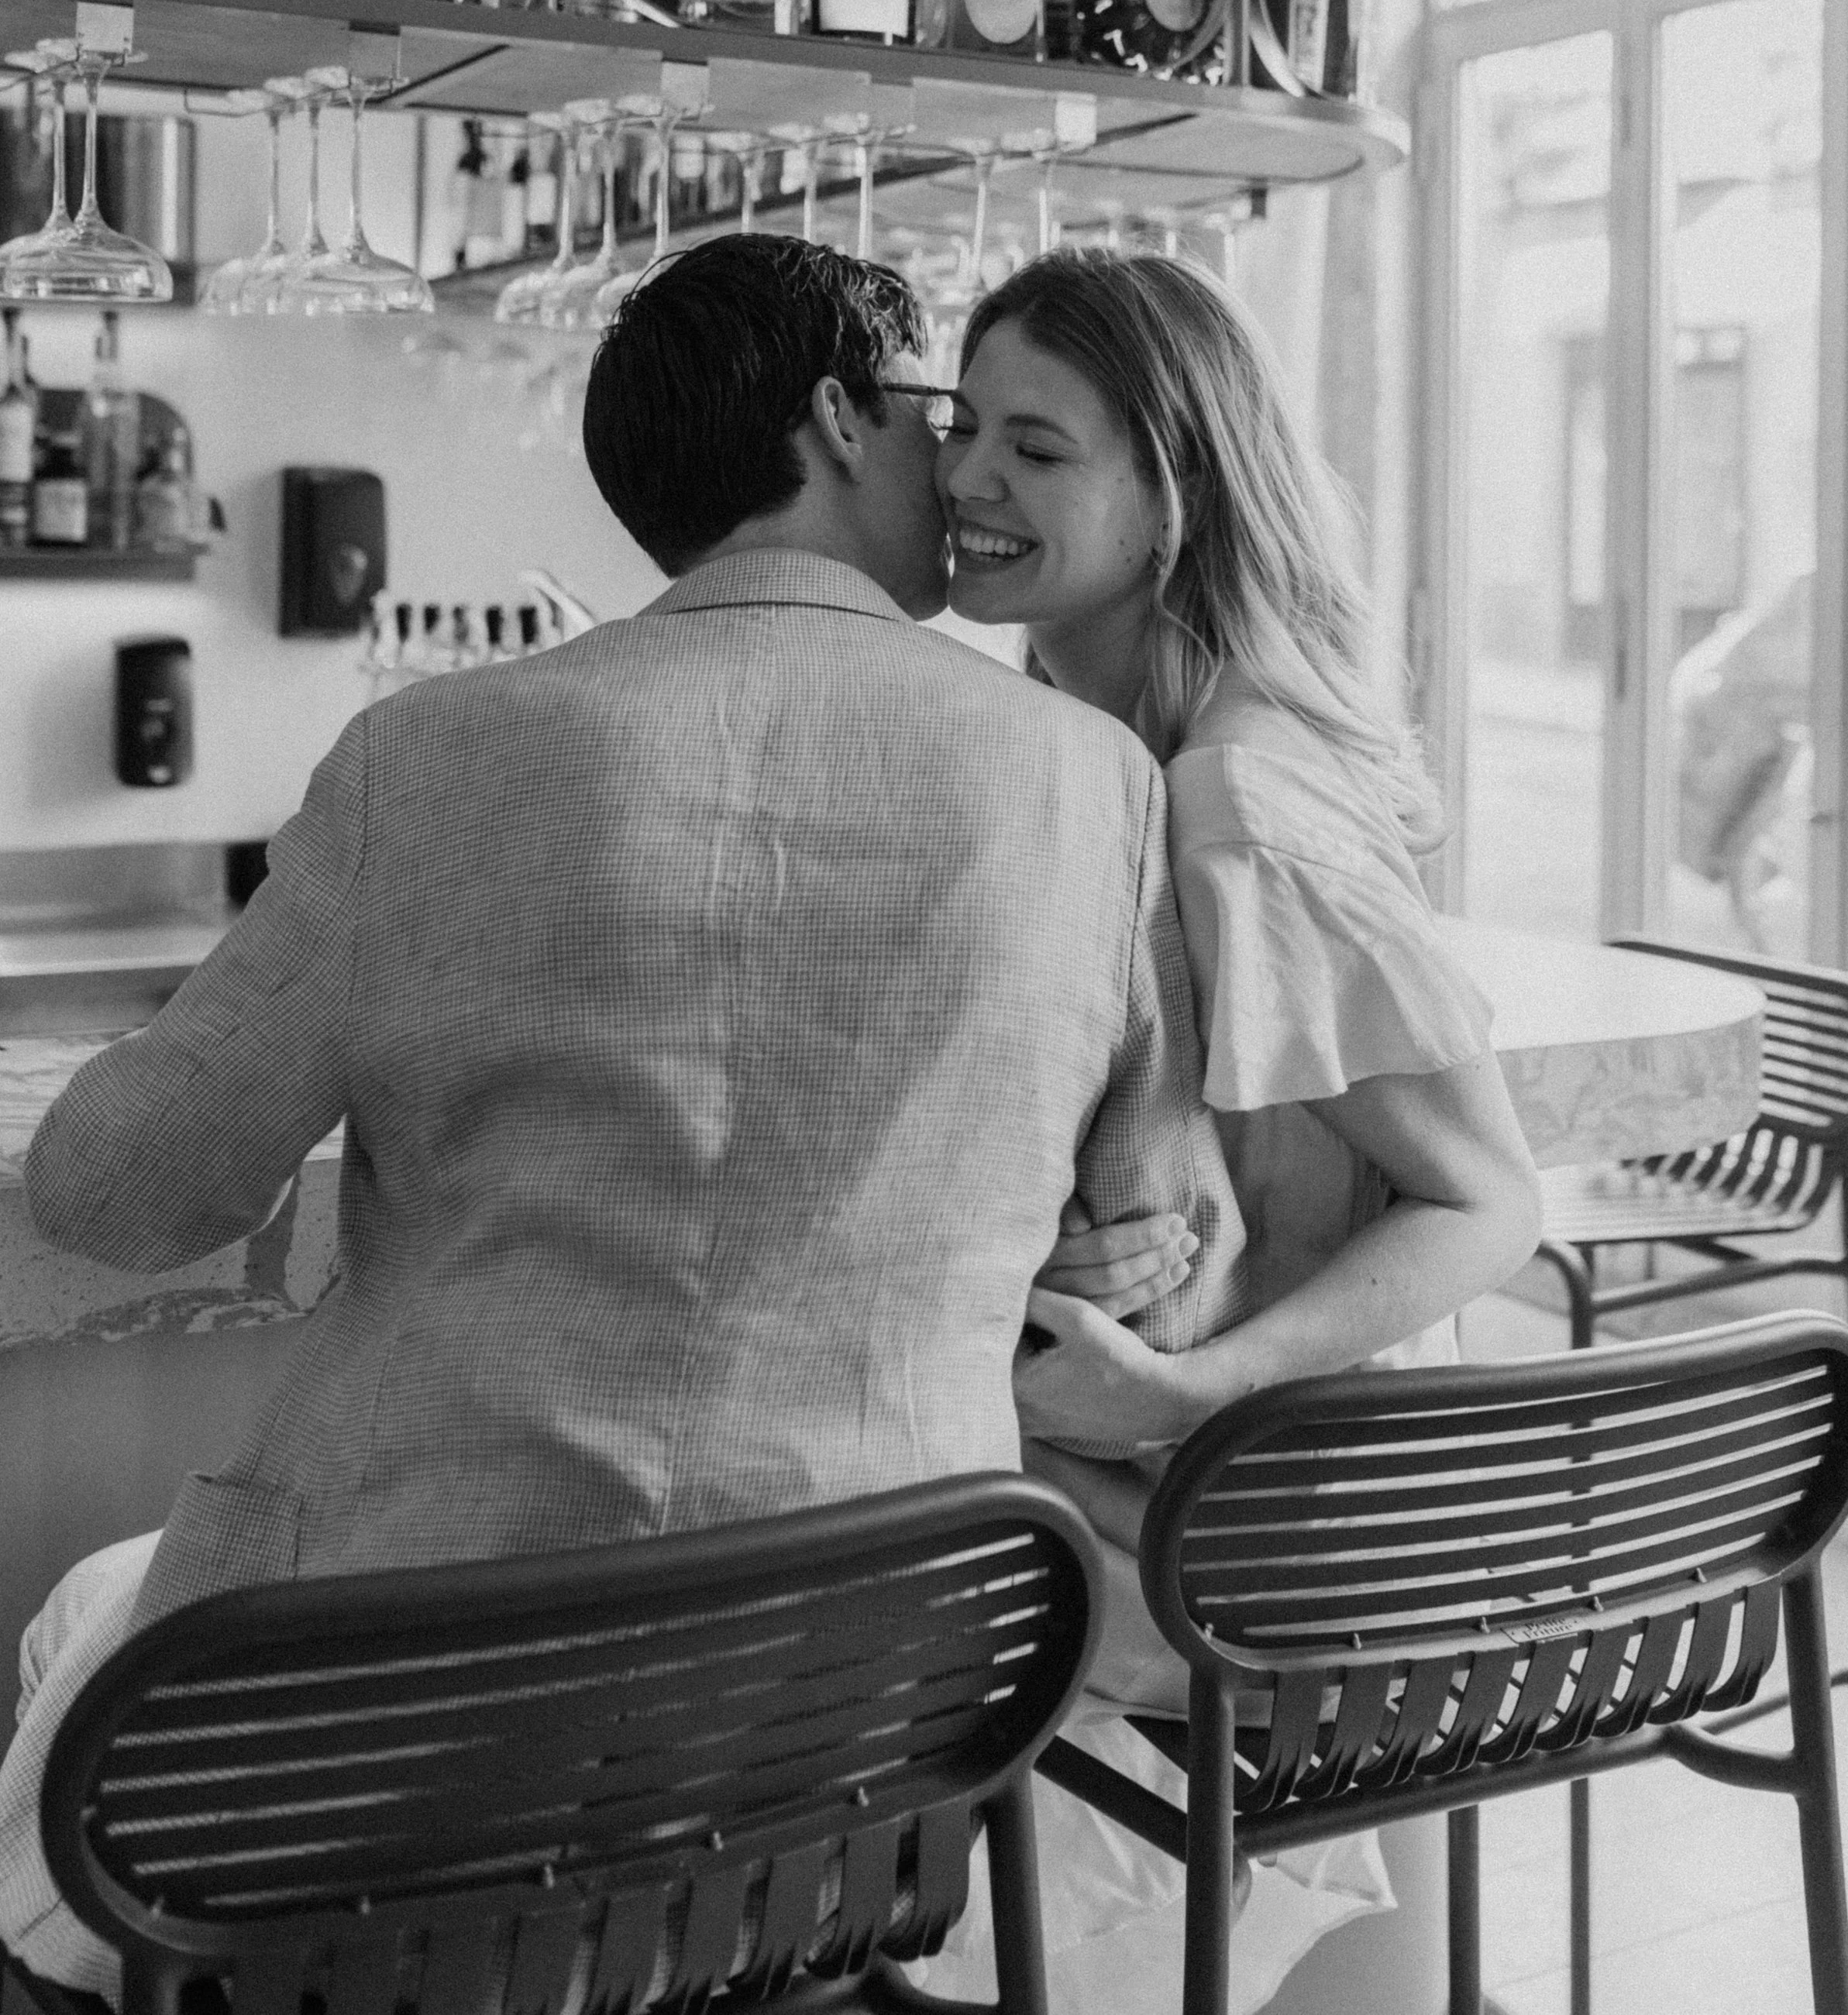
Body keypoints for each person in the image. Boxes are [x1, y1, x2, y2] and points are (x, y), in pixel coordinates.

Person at [0, 234, 1244, 2004]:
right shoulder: (1092, 784)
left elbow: (119, 1193)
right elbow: (1155, 1244)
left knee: (73, 1756)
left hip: (419, 1764)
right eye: (931, 416)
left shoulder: (425, 759)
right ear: (832, 421)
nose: (961, 473)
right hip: (865, 1751)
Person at [924, 246, 1543, 2015]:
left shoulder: (1236, 798)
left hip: (1269, 1545)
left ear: (1169, 492)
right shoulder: (1088, 746)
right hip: (1216, 1514)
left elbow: (1485, 1199)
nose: (965, 479)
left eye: (1036, 450)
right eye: (962, 428)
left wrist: (1193, 1384)